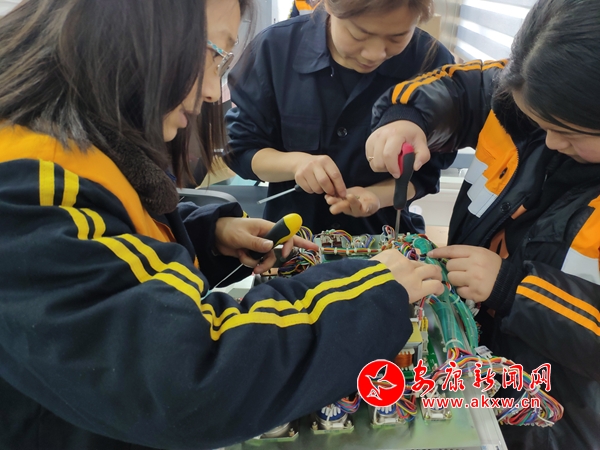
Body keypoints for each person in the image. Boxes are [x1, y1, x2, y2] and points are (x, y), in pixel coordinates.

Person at [0, 1, 444, 449]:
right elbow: (194, 375)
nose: (214, 90)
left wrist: (205, 235)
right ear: (125, 29)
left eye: (223, 61)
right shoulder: (30, 193)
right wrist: (369, 292)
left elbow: (115, 241)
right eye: (212, 53)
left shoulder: (69, 153)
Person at [366, 0, 600, 448]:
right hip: (471, 364)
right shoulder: (528, 88)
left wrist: (515, 289)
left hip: (554, 414)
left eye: (571, 134)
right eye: (539, 122)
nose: (551, 142)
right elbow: (463, 89)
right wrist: (407, 119)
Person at [225, 0, 455, 236]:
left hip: (384, 239)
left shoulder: (431, 63)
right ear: (329, 6)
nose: (374, 53)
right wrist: (295, 164)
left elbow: (427, 172)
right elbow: (241, 149)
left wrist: (376, 196)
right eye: (359, 35)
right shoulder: (275, 49)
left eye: (397, 38)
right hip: (294, 241)